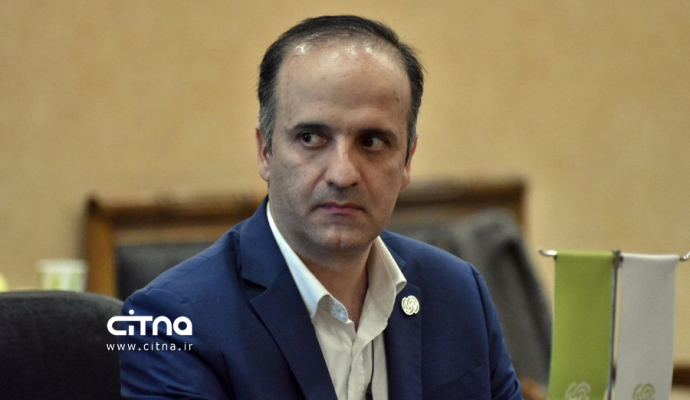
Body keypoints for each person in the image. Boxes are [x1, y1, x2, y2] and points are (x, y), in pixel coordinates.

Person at [118, 15, 522, 400]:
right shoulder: (171, 322)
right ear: (265, 151)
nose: (342, 175)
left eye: (372, 142)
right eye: (311, 137)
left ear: (407, 161)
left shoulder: (457, 293)